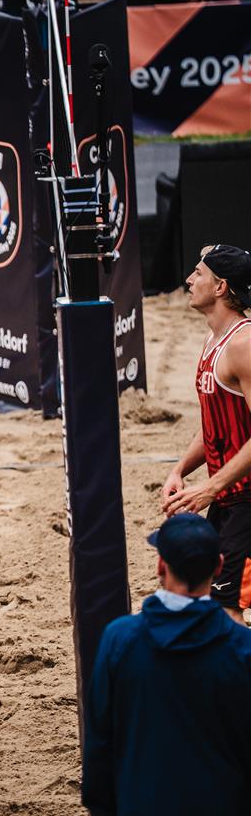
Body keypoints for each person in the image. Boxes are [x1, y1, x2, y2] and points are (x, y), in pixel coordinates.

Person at [82, 512, 251, 816]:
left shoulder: (120, 639)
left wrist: (106, 811)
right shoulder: (243, 648)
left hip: (142, 811)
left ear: (161, 566)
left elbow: (101, 736)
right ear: (218, 566)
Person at [162, 244, 251, 625]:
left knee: (228, 610)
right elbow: (216, 424)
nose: (188, 279)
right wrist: (180, 470)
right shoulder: (213, 340)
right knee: (214, 602)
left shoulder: (243, 344)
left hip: (245, 500)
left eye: (198, 273)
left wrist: (210, 488)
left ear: (220, 287)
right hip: (228, 496)